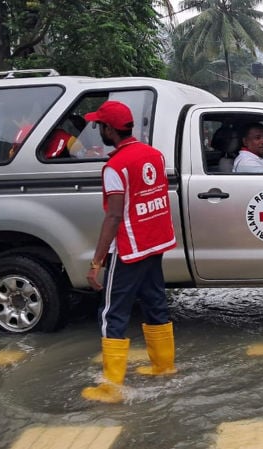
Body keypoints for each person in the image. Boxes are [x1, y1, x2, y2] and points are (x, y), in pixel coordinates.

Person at [82, 100, 178, 404]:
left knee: (112, 313)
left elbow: (114, 216)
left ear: (109, 129)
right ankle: (164, 367)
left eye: (99, 125)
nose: (98, 129)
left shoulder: (115, 166)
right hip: (155, 242)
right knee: (154, 301)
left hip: (130, 249)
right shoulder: (154, 156)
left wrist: (96, 262)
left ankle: (111, 388)